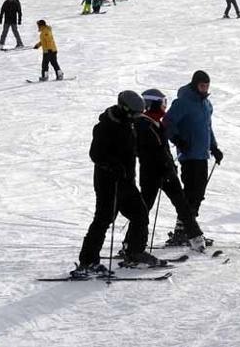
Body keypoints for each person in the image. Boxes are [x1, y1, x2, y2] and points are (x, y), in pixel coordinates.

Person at [72, 91, 163, 278]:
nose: (138, 117)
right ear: (124, 109)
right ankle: (88, 263)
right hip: (109, 182)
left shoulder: (129, 125)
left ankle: (134, 253)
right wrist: (113, 165)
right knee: (103, 219)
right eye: (136, 113)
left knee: (140, 213)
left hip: (127, 181)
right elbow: (95, 155)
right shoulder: (105, 127)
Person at [130, 88, 207, 252]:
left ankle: (195, 238)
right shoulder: (142, 124)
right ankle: (131, 244)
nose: (165, 107)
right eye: (163, 103)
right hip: (152, 174)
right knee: (143, 210)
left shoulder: (157, 123)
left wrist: (170, 166)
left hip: (167, 173)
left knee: (183, 205)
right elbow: (145, 152)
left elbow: (163, 149)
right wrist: (163, 166)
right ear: (152, 104)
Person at [164, 71, 223, 245]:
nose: (205, 89)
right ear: (194, 84)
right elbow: (167, 122)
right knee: (190, 193)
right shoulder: (183, 102)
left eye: (207, 86)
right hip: (188, 155)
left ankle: (188, 230)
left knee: (198, 194)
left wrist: (214, 147)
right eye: (202, 86)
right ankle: (184, 232)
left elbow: (207, 128)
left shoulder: (206, 104)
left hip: (202, 154)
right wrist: (177, 140)